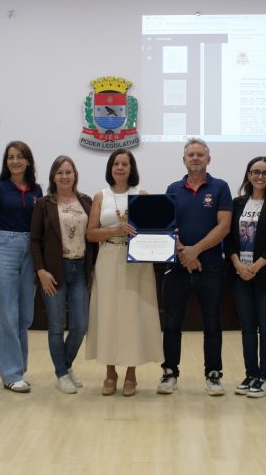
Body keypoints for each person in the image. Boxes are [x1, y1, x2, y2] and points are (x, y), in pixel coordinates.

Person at [158, 138, 232, 396]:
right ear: (184, 159)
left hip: (209, 267)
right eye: (190, 154)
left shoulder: (220, 187)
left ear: (208, 159)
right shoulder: (173, 188)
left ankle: (213, 374)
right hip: (177, 268)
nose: (195, 158)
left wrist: (195, 251)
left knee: (212, 323)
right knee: (172, 323)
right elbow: (168, 227)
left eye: (200, 154)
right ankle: (169, 372)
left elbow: (223, 226)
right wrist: (183, 252)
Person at [85, 149, 163, 397]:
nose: (120, 167)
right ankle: (110, 373)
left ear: (131, 168)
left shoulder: (141, 195)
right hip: (108, 257)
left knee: (132, 315)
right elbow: (91, 233)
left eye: (125, 164)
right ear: (110, 168)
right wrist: (115, 230)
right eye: (116, 163)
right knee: (107, 314)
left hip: (137, 262)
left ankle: (131, 374)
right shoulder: (101, 196)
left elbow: (152, 231)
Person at [224, 156, 266, 398]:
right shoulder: (238, 203)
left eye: (265, 172)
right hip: (240, 274)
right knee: (248, 327)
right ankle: (250, 374)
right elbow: (228, 238)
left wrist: (257, 266)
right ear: (248, 175)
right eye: (255, 172)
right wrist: (238, 264)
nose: (259, 176)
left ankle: (263, 377)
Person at [0, 141, 42, 393]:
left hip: (31, 249)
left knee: (25, 315)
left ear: (28, 161)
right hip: (4, 246)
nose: (14, 161)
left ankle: (19, 368)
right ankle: (11, 373)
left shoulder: (37, 189)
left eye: (19, 157)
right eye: (10, 157)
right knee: (7, 313)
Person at [31, 156, 95, 394]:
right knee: (57, 326)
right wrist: (41, 271)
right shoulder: (43, 204)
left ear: (75, 175)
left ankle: (65, 366)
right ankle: (61, 374)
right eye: (60, 172)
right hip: (54, 272)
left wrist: (93, 269)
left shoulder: (86, 201)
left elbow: (93, 238)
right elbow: (35, 241)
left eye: (69, 172)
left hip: (79, 270)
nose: (65, 176)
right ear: (53, 177)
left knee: (80, 325)